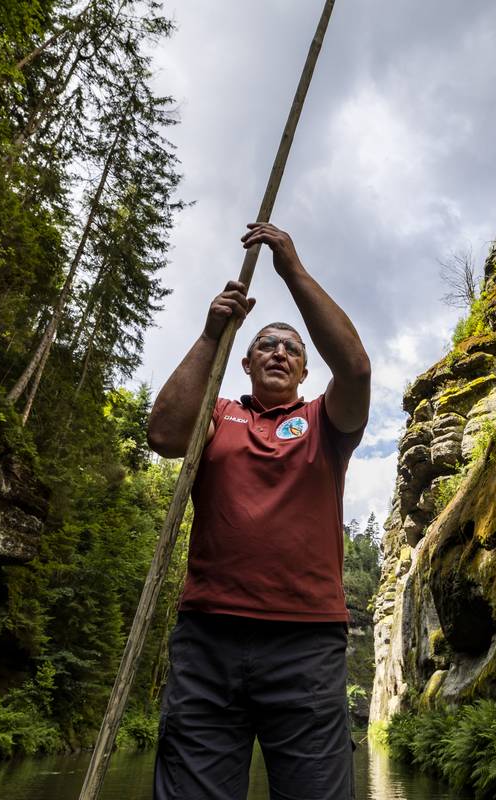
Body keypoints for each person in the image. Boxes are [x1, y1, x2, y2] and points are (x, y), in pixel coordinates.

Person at [146, 222, 371, 799]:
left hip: (305, 645)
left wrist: (290, 268)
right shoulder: (217, 415)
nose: (279, 351)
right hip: (208, 640)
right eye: (266, 345)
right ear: (243, 364)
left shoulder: (327, 422)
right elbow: (165, 435)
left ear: (303, 370)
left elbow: (356, 369)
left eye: (291, 349)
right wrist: (210, 334)